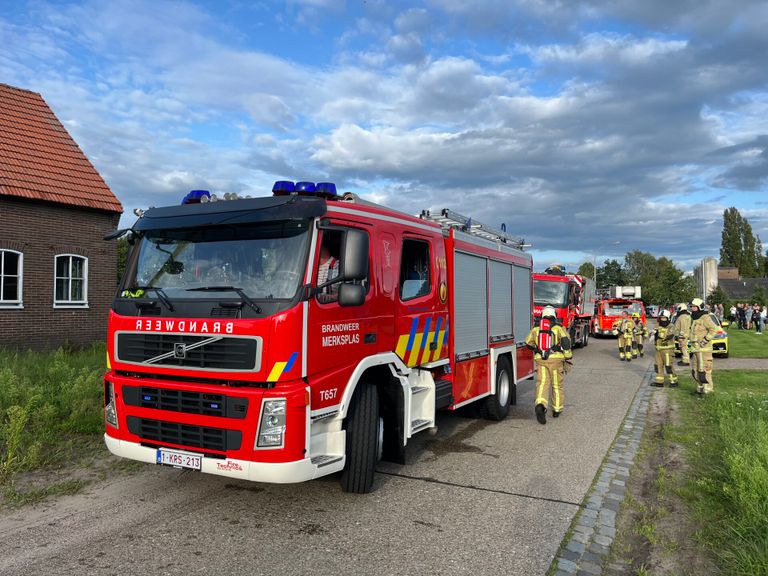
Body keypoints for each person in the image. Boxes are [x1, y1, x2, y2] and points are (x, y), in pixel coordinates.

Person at [525, 306, 572, 425]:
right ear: (554, 315)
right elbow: (566, 342)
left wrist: (537, 349)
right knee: (557, 385)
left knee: (542, 383)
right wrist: (568, 356)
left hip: (541, 360)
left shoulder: (536, 329)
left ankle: (540, 405)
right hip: (556, 361)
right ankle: (556, 410)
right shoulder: (559, 328)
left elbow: (528, 343)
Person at [689, 297, 719, 396]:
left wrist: (705, 340)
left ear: (699, 307)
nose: (692, 308)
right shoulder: (694, 318)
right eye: (692, 307)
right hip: (696, 350)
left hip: (705, 350)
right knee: (697, 370)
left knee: (706, 370)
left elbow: (714, 329)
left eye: (694, 307)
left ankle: (708, 391)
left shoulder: (705, 318)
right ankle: (700, 390)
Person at [650, 309, 678, 387]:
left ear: (668, 318)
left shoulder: (671, 326)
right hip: (658, 350)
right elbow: (653, 332)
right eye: (661, 318)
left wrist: (657, 333)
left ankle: (674, 382)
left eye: (664, 318)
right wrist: (652, 334)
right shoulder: (657, 324)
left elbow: (667, 336)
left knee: (669, 366)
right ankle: (659, 382)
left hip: (667, 350)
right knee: (658, 366)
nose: (662, 319)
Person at [316, 239, 340, 303]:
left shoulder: (338, 265)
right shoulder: (309, 266)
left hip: (328, 306)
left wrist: (330, 297)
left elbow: (348, 293)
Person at [673, 303, 692, 367]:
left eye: (679, 309)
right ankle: (684, 359)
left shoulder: (683, 316)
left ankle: (686, 361)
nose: (678, 310)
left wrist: (681, 335)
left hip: (682, 335)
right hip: (685, 334)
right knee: (683, 347)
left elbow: (683, 327)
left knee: (683, 348)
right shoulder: (687, 315)